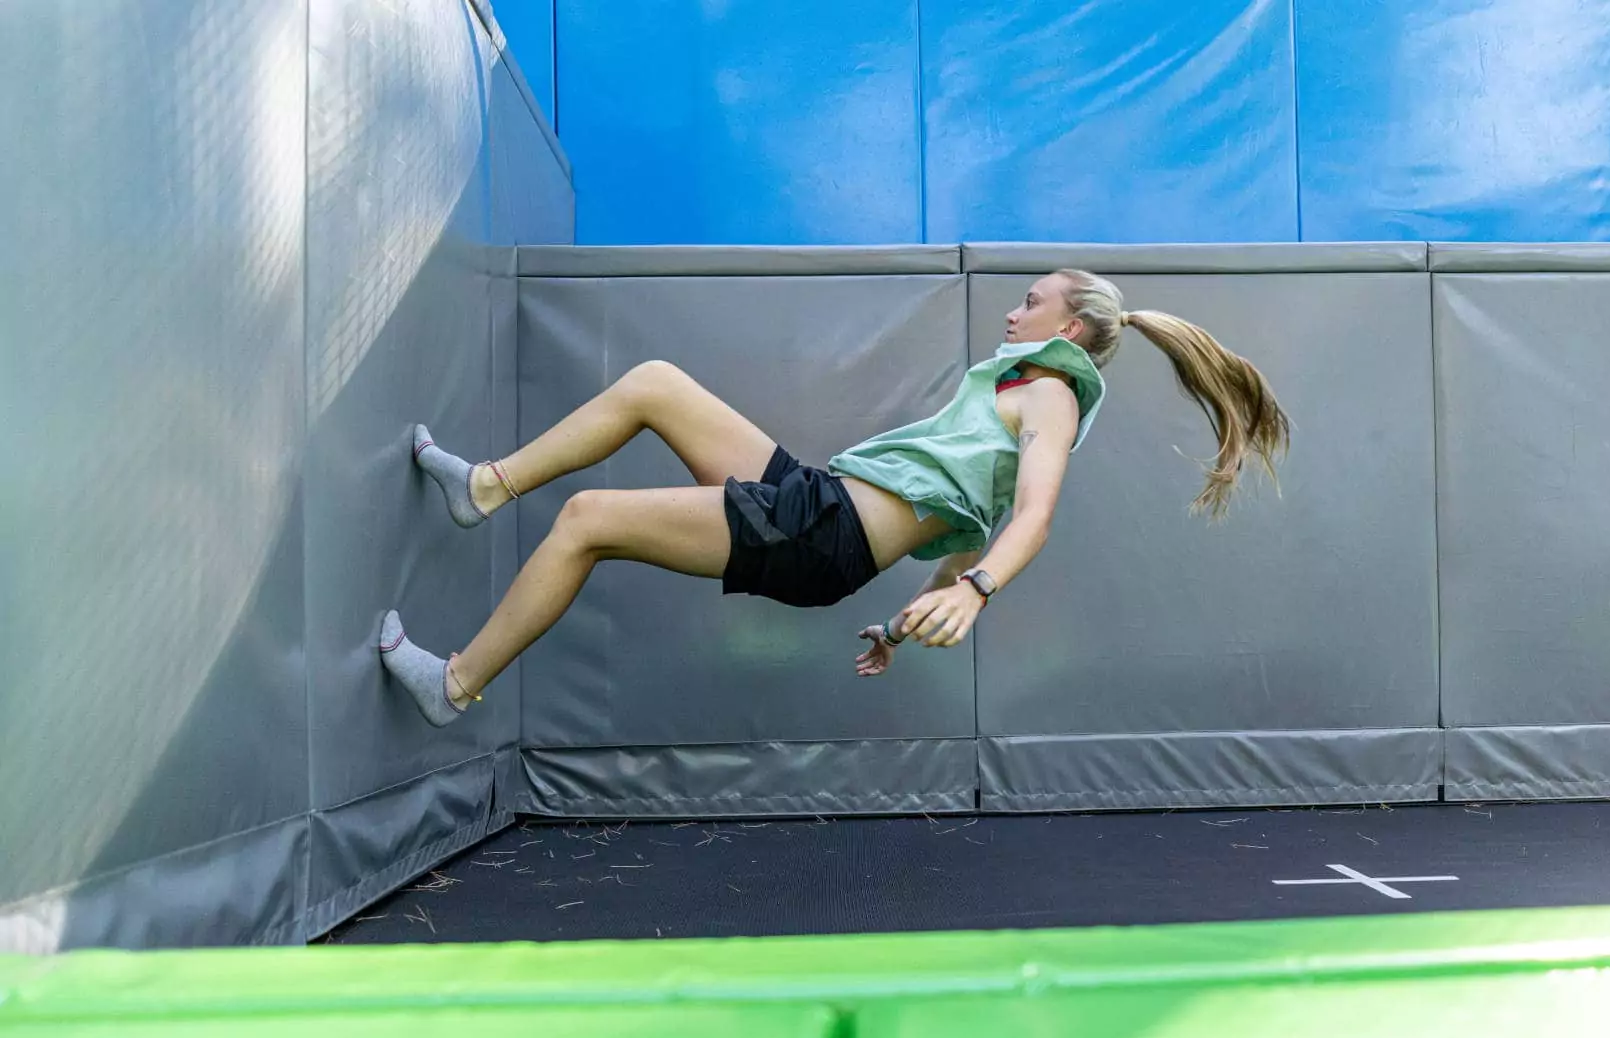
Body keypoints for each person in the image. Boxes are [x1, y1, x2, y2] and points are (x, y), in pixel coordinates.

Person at [378, 269, 1290, 727]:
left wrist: (974, 595)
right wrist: (909, 618)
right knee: (655, 381)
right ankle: (487, 489)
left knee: (588, 522)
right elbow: (961, 522)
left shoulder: (1049, 391)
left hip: (823, 533)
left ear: (1073, 328)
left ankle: (455, 685)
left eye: (1031, 300)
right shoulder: (1008, 397)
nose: (1014, 312)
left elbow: (1032, 517)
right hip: (819, 499)